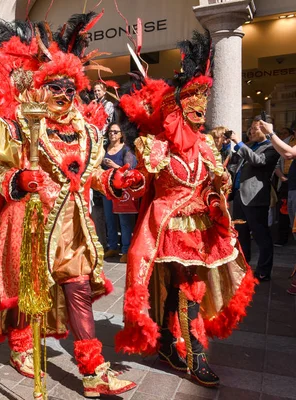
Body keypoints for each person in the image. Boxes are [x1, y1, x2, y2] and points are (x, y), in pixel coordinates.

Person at [0, 12, 136, 397]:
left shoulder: (87, 131)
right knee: (28, 293)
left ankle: (92, 369)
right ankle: (20, 344)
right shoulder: (17, 123)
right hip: (30, 221)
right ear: (40, 87)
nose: (64, 96)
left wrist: (116, 180)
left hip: (73, 227)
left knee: (78, 290)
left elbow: (92, 173)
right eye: (56, 87)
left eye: (71, 89)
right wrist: (17, 180)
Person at [113, 31, 256, 388]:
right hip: (165, 229)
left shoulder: (206, 145)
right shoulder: (153, 146)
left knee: (184, 287)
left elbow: (214, 184)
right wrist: (119, 180)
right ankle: (195, 357)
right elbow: (141, 183)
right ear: (175, 112)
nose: (199, 118)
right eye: (191, 112)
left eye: (201, 112)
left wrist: (216, 195)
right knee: (186, 288)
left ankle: (166, 344)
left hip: (201, 228)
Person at [227, 116, 280, 281]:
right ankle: (244, 267)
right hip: (239, 196)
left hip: (255, 198)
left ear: (265, 129)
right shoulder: (250, 146)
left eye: (255, 128)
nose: (250, 131)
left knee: (261, 235)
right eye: (250, 127)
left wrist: (238, 142)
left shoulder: (271, 147)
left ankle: (263, 271)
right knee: (241, 234)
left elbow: (258, 161)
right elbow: (237, 165)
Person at [258, 118, 296, 294]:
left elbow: (288, 154)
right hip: (291, 188)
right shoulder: (290, 142)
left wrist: (270, 134)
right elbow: (284, 153)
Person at [101, 123, 137, 262]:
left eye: (115, 132)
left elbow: (130, 170)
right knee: (109, 218)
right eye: (110, 131)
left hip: (122, 190)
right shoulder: (104, 149)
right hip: (106, 187)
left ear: (121, 134)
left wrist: (114, 166)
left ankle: (126, 249)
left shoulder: (126, 150)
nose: (112, 134)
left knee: (124, 220)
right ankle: (112, 246)